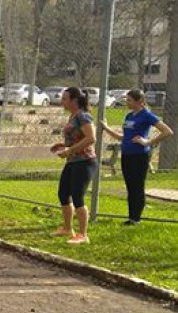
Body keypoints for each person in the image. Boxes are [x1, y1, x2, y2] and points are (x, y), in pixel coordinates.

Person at [99, 89, 174, 225]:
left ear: (139, 101)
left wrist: (149, 142)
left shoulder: (147, 115)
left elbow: (167, 131)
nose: (126, 102)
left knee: (137, 186)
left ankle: (136, 219)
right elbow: (124, 137)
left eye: (129, 100)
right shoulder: (129, 116)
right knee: (130, 186)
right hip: (126, 155)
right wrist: (106, 128)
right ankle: (131, 217)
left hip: (139, 155)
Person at [49, 86, 97, 244]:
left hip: (85, 162)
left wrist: (69, 150)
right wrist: (63, 145)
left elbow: (91, 138)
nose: (62, 101)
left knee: (78, 196)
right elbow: (77, 138)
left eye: (64, 99)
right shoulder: (73, 116)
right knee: (63, 193)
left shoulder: (83, 116)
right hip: (73, 161)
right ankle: (67, 228)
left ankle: (83, 235)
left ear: (74, 101)